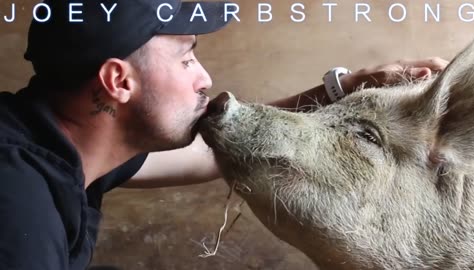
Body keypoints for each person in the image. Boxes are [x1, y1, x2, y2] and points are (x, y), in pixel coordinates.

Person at [0, 0, 448, 269]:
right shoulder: (19, 213)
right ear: (118, 82)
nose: (204, 78)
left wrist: (343, 88)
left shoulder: (62, 144)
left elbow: (208, 151)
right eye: (186, 58)